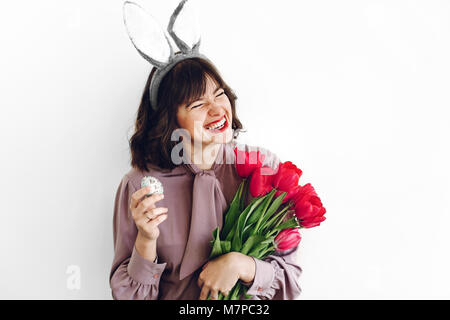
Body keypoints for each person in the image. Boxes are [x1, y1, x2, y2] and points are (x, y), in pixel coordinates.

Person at [109, 57, 303, 300]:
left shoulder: (263, 168)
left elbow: (289, 281)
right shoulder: (140, 187)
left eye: (219, 94)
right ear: (170, 119)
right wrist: (146, 239)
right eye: (197, 104)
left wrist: (240, 265)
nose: (216, 109)